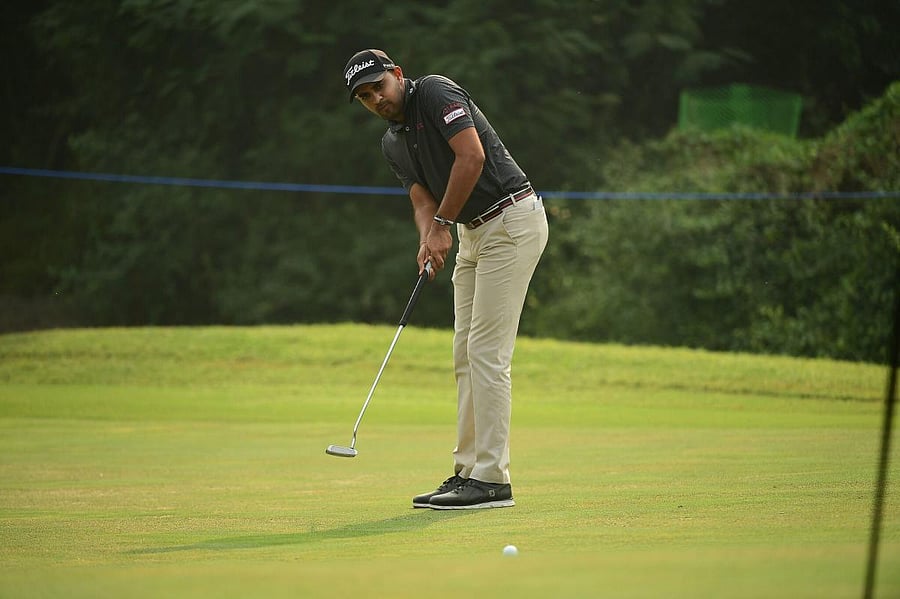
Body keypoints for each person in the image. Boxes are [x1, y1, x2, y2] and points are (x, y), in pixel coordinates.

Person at [344, 49, 548, 510]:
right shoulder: (392, 143)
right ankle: (469, 472)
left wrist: (441, 224)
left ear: (398, 75)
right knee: (464, 353)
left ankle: (493, 479)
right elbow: (421, 200)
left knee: (486, 353)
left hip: (511, 220)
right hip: (474, 233)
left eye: (379, 85)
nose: (376, 98)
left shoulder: (435, 91)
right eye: (364, 95)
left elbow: (470, 157)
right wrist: (428, 236)